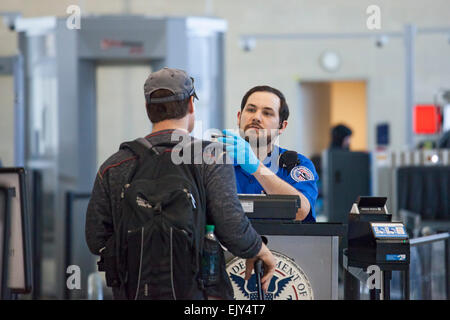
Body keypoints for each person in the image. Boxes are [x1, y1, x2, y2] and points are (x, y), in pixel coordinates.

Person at [85, 67, 275, 299]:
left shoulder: (114, 165)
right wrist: (258, 248)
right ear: (191, 106)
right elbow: (231, 226)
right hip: (199, 294)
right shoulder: (210, 157)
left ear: (148, 109)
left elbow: (96, 240)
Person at [217, 86, 319, 222]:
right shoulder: (216, 162)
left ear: (282, 126)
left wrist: (257, 168)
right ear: (239, 117)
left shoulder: (295, 165)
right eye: (251, 110)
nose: (256, 117)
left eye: (267, 113)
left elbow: (301, 211)